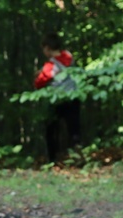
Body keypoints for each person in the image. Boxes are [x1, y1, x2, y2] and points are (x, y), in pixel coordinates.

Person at [34, 32, 81, 161]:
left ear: (47, 48)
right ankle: (78, 157)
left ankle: (53, 159)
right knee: (74, 129)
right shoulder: (69, 56)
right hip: (73, 96)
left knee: (51, 130)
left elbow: (39, 83)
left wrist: (39, 74)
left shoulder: (50, 65)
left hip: (57, 100)